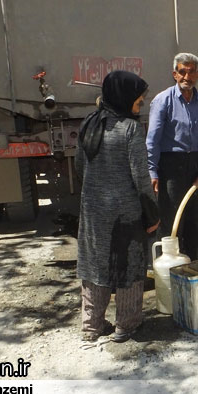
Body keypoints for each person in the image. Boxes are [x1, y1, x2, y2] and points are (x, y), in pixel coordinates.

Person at [76, 70, 159, 343]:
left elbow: (79, 166)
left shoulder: (89, 123)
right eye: (139, 99)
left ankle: (92, 325)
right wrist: (152, 214)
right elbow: (140, 178)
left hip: (92, 213)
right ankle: (126, 325)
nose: (142, 103)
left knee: (94, 266)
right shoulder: (131, 129)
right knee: (129, 267)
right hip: (125, 215)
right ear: (124, 97)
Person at [146, 53, 198, 261]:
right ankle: (169, 270)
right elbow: (153, 140)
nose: (187, 76)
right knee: (171, 222)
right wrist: (152, 171)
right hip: (171, 166)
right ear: (174, 74)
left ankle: (192, 266)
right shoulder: (162, 101)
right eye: (182, 71)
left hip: (196, 164)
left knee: (195, 221)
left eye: (192, 71)